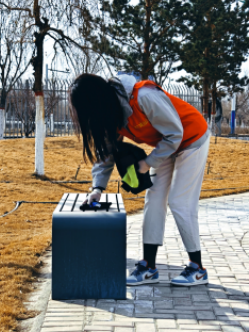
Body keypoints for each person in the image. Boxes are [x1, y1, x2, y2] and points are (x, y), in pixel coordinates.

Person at [69, 74, 211, 287]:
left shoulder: (143, 96)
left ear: (95, 101)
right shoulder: (111, 112)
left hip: (191, 138)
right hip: (167, 144)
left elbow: (175, 133)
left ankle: (198, 269)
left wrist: (147, 163)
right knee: (153, 199)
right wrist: (97, 188)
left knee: (179, 202)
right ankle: (148, 267)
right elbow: (106, 153)